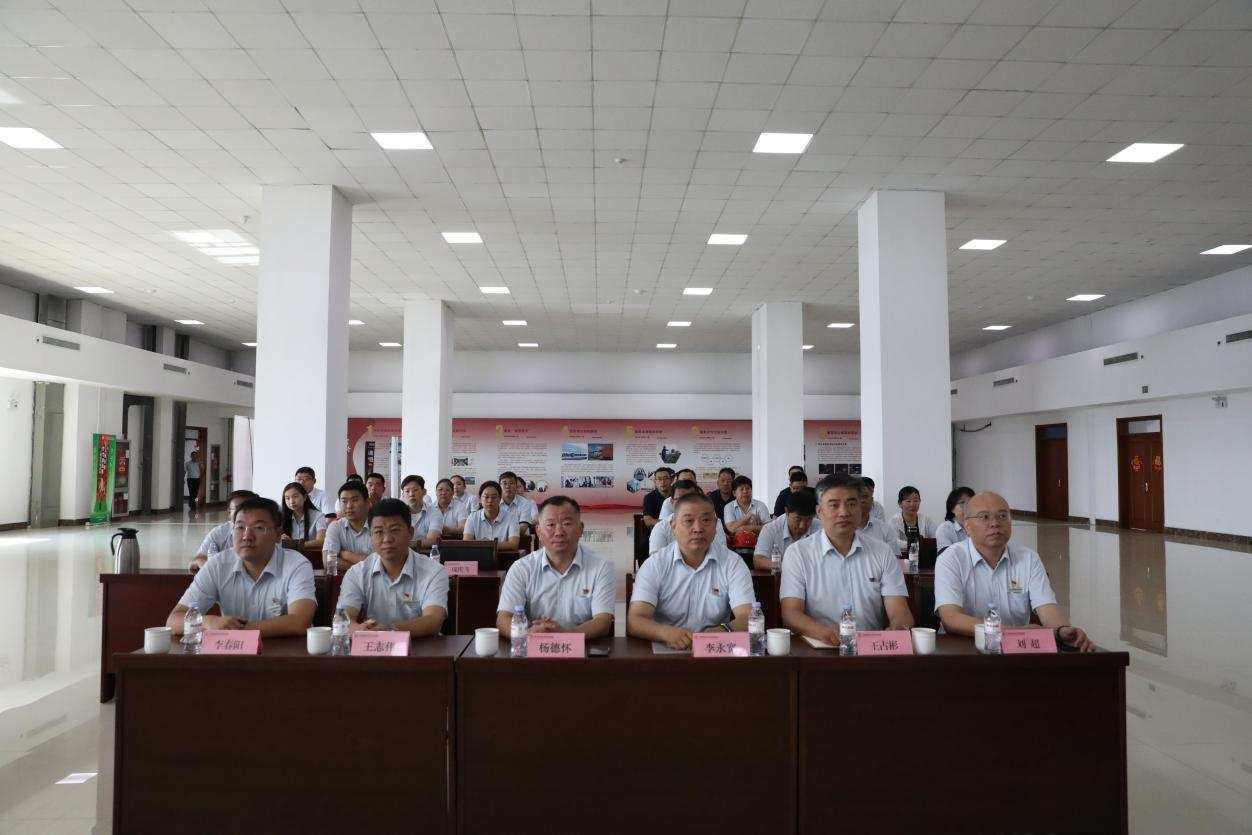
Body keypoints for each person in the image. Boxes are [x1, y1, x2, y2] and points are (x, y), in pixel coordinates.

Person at [935, 492, 1094, 651]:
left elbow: (1047, 608)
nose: (995, 523)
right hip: (962, 648)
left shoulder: (1028, 558)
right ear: (967, 526)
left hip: (1016, 650)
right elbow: (950, 618)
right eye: (984, 517)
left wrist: (1062, 630)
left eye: (1002, 516)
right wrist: (1013, 632)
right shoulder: (951, 558)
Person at [781, 474, 913, 641]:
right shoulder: (798, 553)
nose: (844, 512)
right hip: (818, 647)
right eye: (834, 505)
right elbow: (790, 613)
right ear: (819, 512)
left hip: (869, 647)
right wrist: (824, 633)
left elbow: (899, 610)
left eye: (851, 504)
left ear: (861, 508)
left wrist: (899, 627)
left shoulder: (882, 552)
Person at [167, 497, 316, 637]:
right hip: (233, 651)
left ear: (278, 534)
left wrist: (235, 630)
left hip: (283, 653)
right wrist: (208, 622)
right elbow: (174, 621)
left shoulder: (296, 565)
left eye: (259, 528)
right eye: (240, 527)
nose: (247, 536)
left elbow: (299, 621)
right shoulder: (217, 564)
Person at [628, 493, 755, 649]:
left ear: (716, 525)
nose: (698, 529)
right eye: (688, 521)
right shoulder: (655, 564)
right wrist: (665, 633)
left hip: (714, 649)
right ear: (673, 526)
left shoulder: (733, 563)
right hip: (665, 650)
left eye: (706, 520)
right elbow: (635, 620)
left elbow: (748, 616)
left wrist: (723, 630)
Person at [496, 496, 615, 639]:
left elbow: (602, 622)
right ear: (539, 531)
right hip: (534, 647)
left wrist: (565, 635)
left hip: (585, 648)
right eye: (551, 525)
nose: (559, 532)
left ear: (580, 529)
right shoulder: (522, 568)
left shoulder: (601, 566)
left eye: (567, 523)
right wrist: (529, 634)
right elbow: (504, 618)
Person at [338, 498, 449, 636]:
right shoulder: (357, 573)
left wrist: (389, 630)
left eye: (395, 530)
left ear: (410, 533)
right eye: (379, 532)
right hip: (373, 645)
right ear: (370, 535)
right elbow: (342, 618)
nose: (387, 539)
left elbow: (433, 620)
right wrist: (359, 630)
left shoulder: (434, 571)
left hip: (421, 647)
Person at [189, 489, 257, 572]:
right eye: (237, 508)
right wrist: (203, 564)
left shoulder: (265, 532)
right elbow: (198, 558)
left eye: (247, 509)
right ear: (229, 513)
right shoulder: (219, 532)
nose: (241, 513)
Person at [753, 490, 819, 570]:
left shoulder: (821, 528)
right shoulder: (770, 529)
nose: (802, 525)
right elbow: (759, 560)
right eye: (798, 519)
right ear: (787, 512)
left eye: (808, 519)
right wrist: (790, 568)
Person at [647, 478, 702, 558]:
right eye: (679, 499)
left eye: (689, 498)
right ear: (672, 502)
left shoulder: (712, 523)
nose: (684, 503)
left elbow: (719, 556)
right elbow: (656, 561)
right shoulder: (661, 527)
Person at [324, 481, 373, 568]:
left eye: (354, 500)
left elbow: (382, 563)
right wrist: (360, 569)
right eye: (344, 501)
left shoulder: (379, 526)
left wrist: (348, 556)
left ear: (367, 503)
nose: (349, 506)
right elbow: (329, 563)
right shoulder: (335, 527)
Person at [463, 480, 520, 548]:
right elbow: (467, 542)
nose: (490, 500)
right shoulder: (472, 517)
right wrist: (491, 545)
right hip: (479, 554)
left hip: (502, 554)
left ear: (500, 499)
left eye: (494, 497)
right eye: (486, 497)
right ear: (480, 499)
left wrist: (488, 544)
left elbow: (513, 544)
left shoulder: (512, 518)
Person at [891, 485, 939, 553]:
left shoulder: (926, 519)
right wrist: (918, 545)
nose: (912, 504)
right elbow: (894, 542)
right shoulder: (894, 521)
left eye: (916, 501)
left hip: (923, 556)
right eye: (908, 501)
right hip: (902, 556)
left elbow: (937, 537)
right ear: (900, 503)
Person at [280, 481, 327, 549]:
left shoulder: (318, 516)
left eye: (295, 496)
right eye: (287, 498)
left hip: (310, 554)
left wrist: (294, 544)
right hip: (287, 554)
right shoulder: (281, 517)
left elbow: (321, 541)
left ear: (305, 497)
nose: (291, 501)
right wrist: (280, 539)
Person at [400, 474, 442, 549]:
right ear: (403, 495)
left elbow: (432, 540)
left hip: (426, 553)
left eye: (415, 490)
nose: (411, 494)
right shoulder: (398, 513)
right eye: (407, 491)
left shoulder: (434, 512)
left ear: (424, 492)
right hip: (401, 553)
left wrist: (403, 544)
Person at [858, 481, 897, 553]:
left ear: (872, 500)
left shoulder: (885, 529)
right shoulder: (841, 529)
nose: (862, 500)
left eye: (865, 496)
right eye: (857, 497)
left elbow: (895, 557)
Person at [937, 486, 976, 551]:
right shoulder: (944, 529)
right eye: (962, 502)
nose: (968, 506)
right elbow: (948, 555)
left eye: (971, 502)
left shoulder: (978, 526)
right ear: (952, 508)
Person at [185, 449, 202, 514]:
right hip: (190, 480)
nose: (194, 457)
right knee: (192, 492)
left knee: (196, 493)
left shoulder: (199, 463)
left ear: (197, 456)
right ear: (191, 456)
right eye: (193, 455)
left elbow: (203, 468)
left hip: (197, 480)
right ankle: (193, 505)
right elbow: (184, 471)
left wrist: (199, 462)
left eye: (195, 455)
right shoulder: (187, 463)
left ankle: (192, 503)